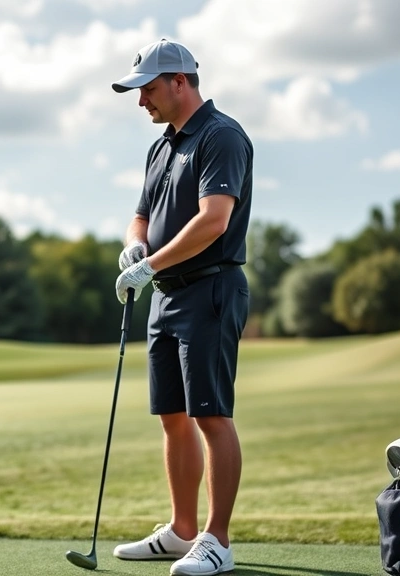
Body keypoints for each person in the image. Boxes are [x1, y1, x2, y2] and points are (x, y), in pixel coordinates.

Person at [110, 38, 253, 576]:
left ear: (180, 82)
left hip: (211, 288)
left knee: (211, 415)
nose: (141, 100)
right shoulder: (161, 147)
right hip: (167, 295)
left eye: (147, 89)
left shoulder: (221, 136)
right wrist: (135, 246)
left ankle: (217, 540)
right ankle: (182, 530)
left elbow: (213, 220)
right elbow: (141, 216)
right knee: (172, 417)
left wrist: (150, 267)